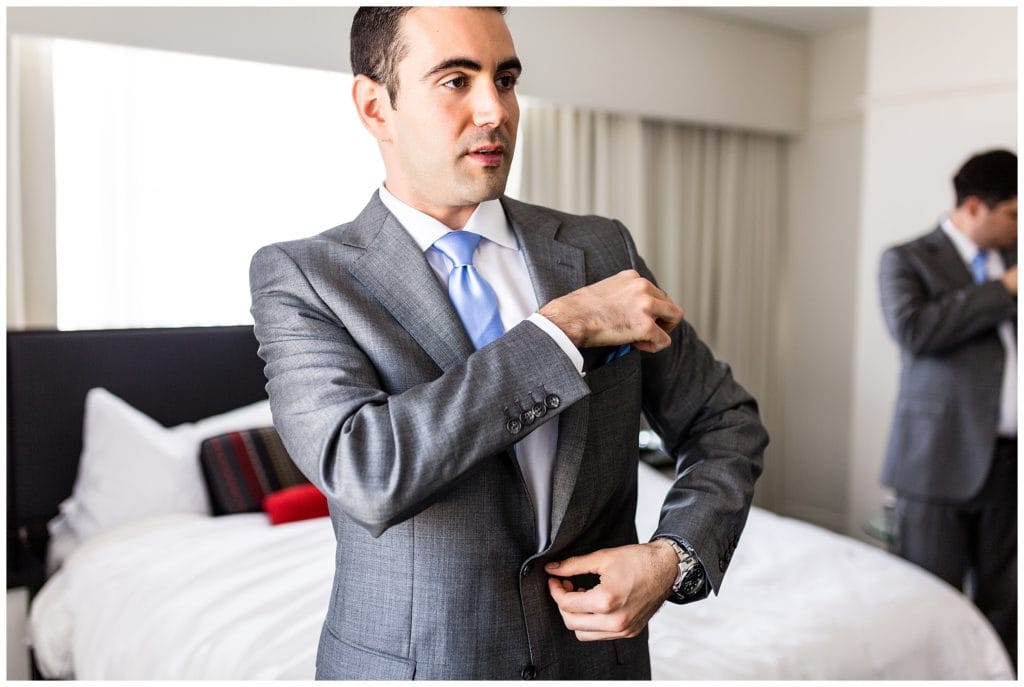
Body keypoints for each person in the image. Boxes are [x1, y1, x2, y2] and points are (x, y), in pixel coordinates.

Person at [250, 6, 766, 680]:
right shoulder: (306, 278)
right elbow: (366, 471)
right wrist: (562, 331)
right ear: (375, 106)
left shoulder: (599, 249)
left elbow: (725, 420)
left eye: (507, 77)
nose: (496, 111)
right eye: (456, 81)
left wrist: (671, 558)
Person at [879, 148, 1017, 668]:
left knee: (1004, 602)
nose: (1019, 227)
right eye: (1013, 215)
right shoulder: (906, 259)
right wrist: (1002, 289)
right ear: (977, 206)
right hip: (935, 460)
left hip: (1008, 461)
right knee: (929, 599)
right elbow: (914, 330)